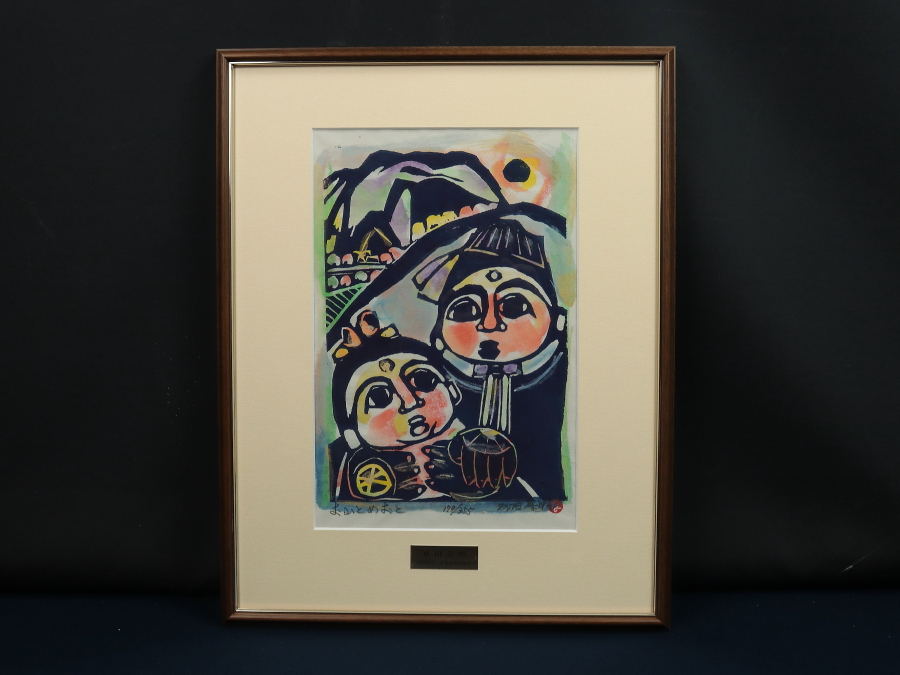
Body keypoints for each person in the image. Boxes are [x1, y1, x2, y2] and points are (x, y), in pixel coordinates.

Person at [428, 217, 570, 501]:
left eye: (514, 305)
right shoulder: (431, 383)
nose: (489, 324)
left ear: (558, 320)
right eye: (466, 309)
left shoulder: (564, 380)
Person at [327, 311, 518, 502]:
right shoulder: (345, 472)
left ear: (452, 390)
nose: (411, 401)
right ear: (350, 432)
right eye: (379, 398)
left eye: (423, 380)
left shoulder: (482, 445)